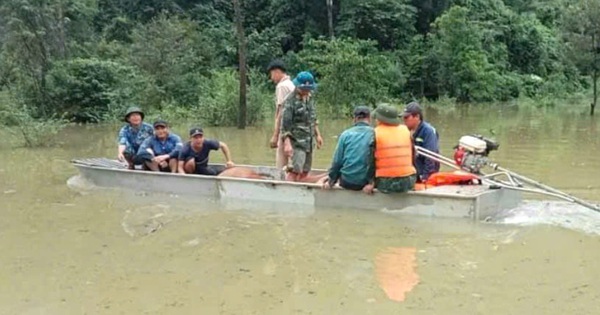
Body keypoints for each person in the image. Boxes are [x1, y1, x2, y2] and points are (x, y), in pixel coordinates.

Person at [363, 104, 417, 194]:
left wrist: (371, 183)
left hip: (386, 183)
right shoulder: (406, 130)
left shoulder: (375, 133)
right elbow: (413, 156)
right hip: (408, 182)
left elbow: (370, 161)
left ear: (379, 119)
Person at [280, 71, 324, 181]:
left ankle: (301, 192)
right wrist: (287, 143)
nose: (307, 91)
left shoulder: (309, 98)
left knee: (306, 170)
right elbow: (285, 125)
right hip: (297, 142)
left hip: (309, 141)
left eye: (309, 89)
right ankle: (288, 190)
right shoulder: (290, 101)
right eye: (305, 89)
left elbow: (313, 118)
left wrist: (318, 135)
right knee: (295, 170)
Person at [322, 106, 375, 191]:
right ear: (369, 118)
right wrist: (372, 182)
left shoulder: (345, 134)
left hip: (348, 182)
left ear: (354, 119)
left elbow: (337, 161)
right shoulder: (375, 133)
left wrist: (331, 181)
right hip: (367, 182)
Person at [267, 60, 296, 169]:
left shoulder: (282, 86)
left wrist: (275, 135)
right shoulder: (291, 84)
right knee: (292, 160)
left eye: (271, 74)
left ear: (277, 72)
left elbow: (281, 111)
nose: (271, 78)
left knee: (281, 162)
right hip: (294, 128)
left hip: (285, 129)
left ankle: (281, 183)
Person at [401, 102, 440, 182]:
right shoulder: (405, 131)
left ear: (417, 117)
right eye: (403, 117)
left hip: (424, 172)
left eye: (406, 117)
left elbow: (430, 157)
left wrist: (426, 177)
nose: (404, 120)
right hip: (413, 171)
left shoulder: (428, 131)